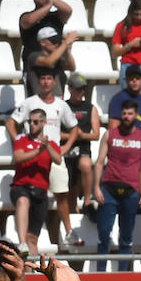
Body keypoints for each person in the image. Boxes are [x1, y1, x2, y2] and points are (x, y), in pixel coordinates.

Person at [7, 69, 78, 245]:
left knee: (61, 194)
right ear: (39, 82)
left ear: (54, 82)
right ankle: (27, 242)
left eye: (49, 78)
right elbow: (11, 122)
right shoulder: (30, 103)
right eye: (43, 78)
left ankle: (68, 232)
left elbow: (74, 127)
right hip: (33, 151)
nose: (46, 82)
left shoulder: (61, 105)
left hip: (52, 151)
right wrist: (18, 140)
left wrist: (65, 148)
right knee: (28, 199)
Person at [93, 99, 141, 272]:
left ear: (136, 115)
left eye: (130, 113)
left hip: (131, 191)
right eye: (124, 113)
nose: (126, 117)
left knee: (126, 237)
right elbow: (99, 162)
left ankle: (123, 274)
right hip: (109, 188)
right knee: (104, 234)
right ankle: (100, 273)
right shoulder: (110, 134)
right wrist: (96, 187)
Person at [9, 108, 61, 254]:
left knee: (33, 239)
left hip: (40, 191)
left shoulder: (50, 143)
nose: (31, 124)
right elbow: (18, 157)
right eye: (29, 121)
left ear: (44, 123)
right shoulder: (21, 139)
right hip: (21, 186)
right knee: (22, 201)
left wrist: (47, 146)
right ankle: (21, 243)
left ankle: (31, 274)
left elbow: (58, 159)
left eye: (36, 121)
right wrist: (39, 151)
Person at [63, 74, 100, 229]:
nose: (81, 92)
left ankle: (87, 200)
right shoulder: (62, 106)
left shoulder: (90, 108)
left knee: (86, 165)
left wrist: (81, 135)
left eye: (83, 89)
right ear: (70, 88)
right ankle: (73, 213)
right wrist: (72, 135)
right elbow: (54, 131)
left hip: (83, 147)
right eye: (78, 89)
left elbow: (96, 134)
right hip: (65, 148)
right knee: (69, 183)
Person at [18, 0, 71, 82]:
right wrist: (49, 4)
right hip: (33, 67)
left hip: (55, 67)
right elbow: (29, 21)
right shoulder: (26, 16)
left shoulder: (56, 17)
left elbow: (68, 10)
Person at [110, 0, 141, 89]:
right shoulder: (121, 26)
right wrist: (130, 45)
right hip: (128, 66)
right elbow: (114, 53)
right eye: (136, 14)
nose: (139, 17)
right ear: (131, 12)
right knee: (128, 100)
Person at [23, 25, 75, 95]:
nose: (56, 43)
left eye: (57, 40)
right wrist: (65, 43)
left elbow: (72, 67)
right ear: (42, 42)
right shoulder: (33, 56)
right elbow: (48, 62)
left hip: (57, 102)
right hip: (38, 103)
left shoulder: (57, 58)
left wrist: (66, 50)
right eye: (53, 41)